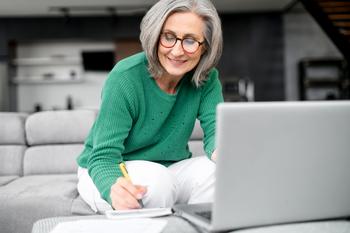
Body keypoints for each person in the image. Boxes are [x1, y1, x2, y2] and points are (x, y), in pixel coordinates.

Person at [76, 0, 223, 212]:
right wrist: (113, 188)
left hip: (170, 168)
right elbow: (103, 156)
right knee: (157, 181)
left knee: (217, 169)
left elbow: (217, 131)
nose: (177, 51)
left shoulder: (207, 79)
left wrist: (224, 153)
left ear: (205, 47)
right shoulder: (125, 77)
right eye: (169, 37)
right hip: (110, 168)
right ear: (155, 37)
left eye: (190, 41)